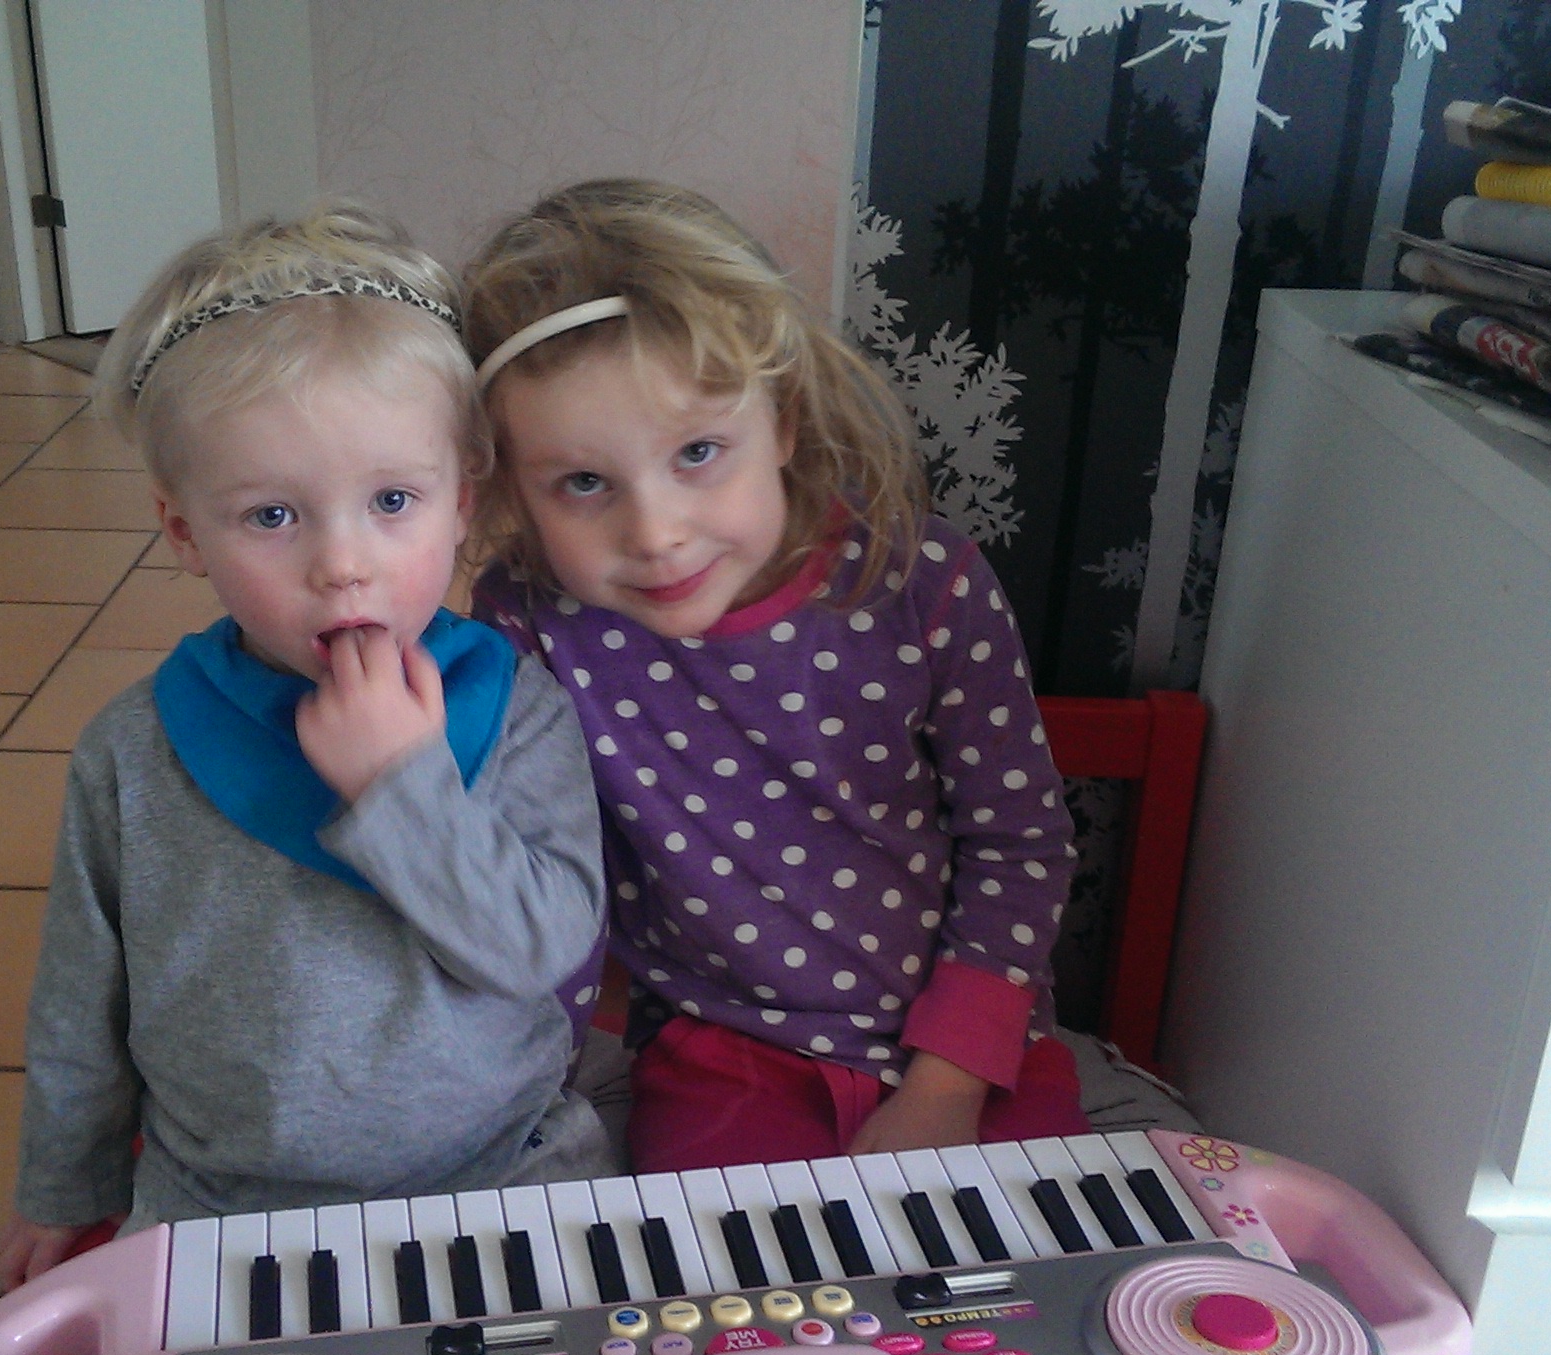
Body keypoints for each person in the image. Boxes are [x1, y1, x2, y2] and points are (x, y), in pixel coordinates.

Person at [0, 205, 611, 1290]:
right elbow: (81, 999)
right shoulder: (134, 749)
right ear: (183, 530)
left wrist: (401, 785)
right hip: (218, 1197)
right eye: (272, 517)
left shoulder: (517, 710)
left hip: (504, 1167)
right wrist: (65, 1185)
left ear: (462, 503)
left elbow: (540, 948)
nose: (343, 564)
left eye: (393, 501)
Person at [465, 180, 1092, 1174]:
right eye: (584, 482)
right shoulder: (529, 621)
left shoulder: (922, 580)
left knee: (1029, 1261)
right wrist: (526, 1096)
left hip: (970, 1046)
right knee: (725, 1275)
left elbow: (1019, 841)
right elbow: (545, 884)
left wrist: (946, 1084)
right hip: (722, 1054)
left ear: (784, 423)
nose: (655, 532)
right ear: (512, 486)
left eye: (698, 452)